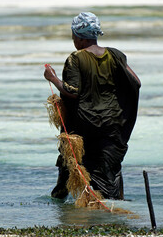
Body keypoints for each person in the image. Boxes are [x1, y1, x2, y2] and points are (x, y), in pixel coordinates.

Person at [44, 12, 141, 200]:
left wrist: (52, 78)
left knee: (69, 166)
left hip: (85, 126)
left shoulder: (76, 58)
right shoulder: (116, 55)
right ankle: (114, 216)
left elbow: (73, 91)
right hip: (113, 125)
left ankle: (61, 211)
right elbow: (136, 82)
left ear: (79, 37)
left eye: (73, 35)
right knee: (109, 174)